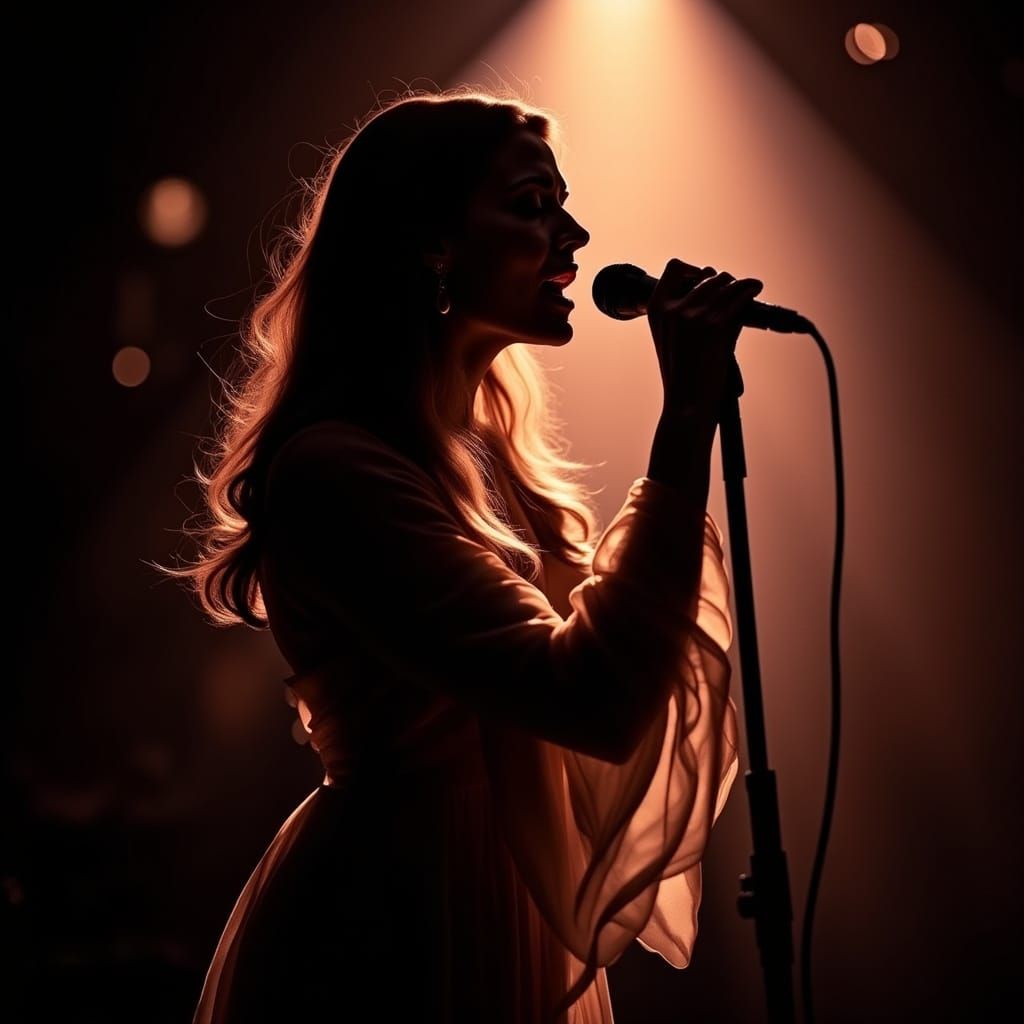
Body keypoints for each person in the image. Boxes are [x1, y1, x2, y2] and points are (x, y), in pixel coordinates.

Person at [175, 88, 758, 1023]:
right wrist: (685, 421)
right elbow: (592, 698)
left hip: (493, 903)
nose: (574, 234)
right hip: (393, 924)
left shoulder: (493, 466)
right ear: (430, 242)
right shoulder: (336, 472)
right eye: (532, 206)